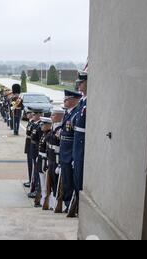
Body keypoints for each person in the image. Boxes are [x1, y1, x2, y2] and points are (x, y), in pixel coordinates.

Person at [68, 71, 88, 218]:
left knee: (80, 174)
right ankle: (77, 204)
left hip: (82, 140)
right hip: (77, 139)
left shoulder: (88, 101)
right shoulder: (82, 101)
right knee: (76, 174)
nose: (79, 85)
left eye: (82, 82)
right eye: (79, 83)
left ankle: (81, 207)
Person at [59, 90, 82, 213]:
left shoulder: (76, 114)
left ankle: (72, 205)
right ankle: (68, 204)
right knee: (67, 180)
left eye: (66, 99)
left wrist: (74, 155)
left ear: (74, 99)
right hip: (64, 152)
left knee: (71, 181)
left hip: (70, 153)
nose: (64, 102)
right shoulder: (69, 113)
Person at [43, 108, 65, 211]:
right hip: (51, 159)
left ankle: (58, 203)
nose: (51, 117)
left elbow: (62, 148)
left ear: (60, 116)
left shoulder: (61, 129)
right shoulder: (53, 127)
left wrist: (60, 164)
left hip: (56, 160)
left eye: (53, 115)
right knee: (50, 183)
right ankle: (52, 203)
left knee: (57, 183)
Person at [34, 117, 52, 208]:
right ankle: (43, 199)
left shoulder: (49, 135)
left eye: (43, 124)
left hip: (45, 160)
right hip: (41, 159)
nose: (41, 126)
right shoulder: (44, 134)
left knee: (45, 183)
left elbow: (48, 150)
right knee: (42, 182)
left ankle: (46, 200)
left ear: (48, 125)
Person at [28, 108, 43, 199]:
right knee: (35, 170)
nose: (32, 116)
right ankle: (35, 188)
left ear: (39, 115)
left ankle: (37, 189)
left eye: (34, 115)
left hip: (37, 150)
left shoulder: (40, 125)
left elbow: (39, 140)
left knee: (37, 171)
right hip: (33, 149)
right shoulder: (34, 124)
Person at [23, 111, 34, 188]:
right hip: (28, 145)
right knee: (29, 165)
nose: (26, 114)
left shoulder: (33, 123)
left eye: (28, 113)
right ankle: (30, 180)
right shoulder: (30, 122)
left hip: (32, 146)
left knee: (32, 166)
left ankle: (32, 182)